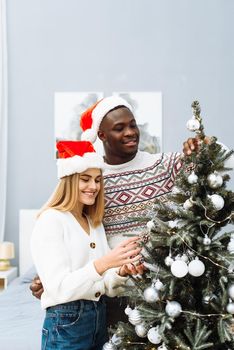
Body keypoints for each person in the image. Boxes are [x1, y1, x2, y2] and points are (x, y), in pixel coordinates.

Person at [31, 96, 228, 324]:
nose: (130, 132)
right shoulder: (90, 174)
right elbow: (64, 224)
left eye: (132, 124)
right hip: (113, 294)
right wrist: (47, 277)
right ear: (101, 135)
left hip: (168, 289)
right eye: (119, 128)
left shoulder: (162, 166)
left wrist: (204, 145)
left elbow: (222, 162)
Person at [31, 140, 142, 350]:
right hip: (65, 323)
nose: (94, 187)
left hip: (98, 318)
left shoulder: (93, 223)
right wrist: (102, 264)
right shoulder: (50, 221)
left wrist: (121, 271)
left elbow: (103, 284)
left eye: (98, 180)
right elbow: (59, 288)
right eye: (85, 179)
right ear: (70, 180)